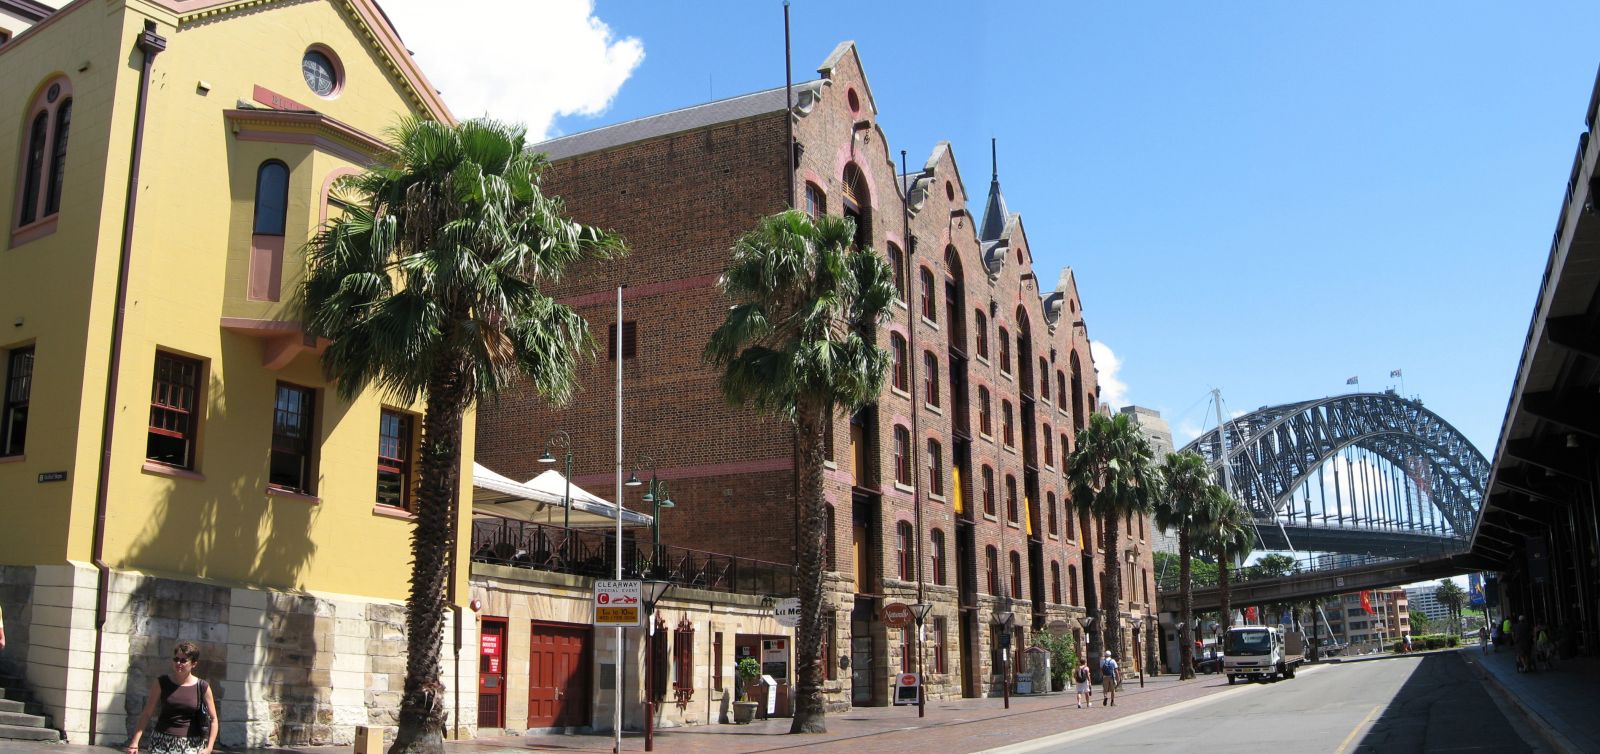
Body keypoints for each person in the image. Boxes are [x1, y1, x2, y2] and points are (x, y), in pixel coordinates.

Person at [127, 642, 217, 754]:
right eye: (176, 659)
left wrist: (209, 748)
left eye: (183, 660)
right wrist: (134, 743)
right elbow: (147, 713)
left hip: (191, 746)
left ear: (193, 664)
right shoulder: (162, 682)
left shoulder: (203, 686)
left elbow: (214, 719)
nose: (178, 663)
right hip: (160, 743)